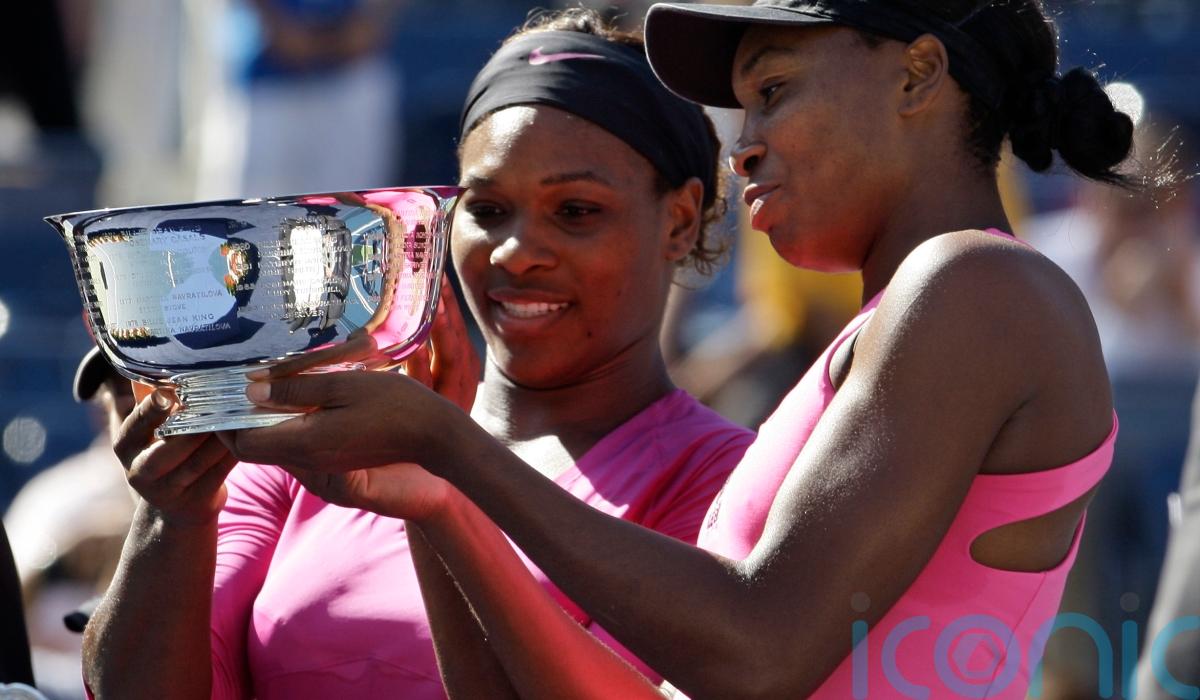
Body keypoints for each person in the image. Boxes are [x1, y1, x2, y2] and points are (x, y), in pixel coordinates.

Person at [217, 0, 1143, 697]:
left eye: (772, 93)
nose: (744, 148)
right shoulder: (911, 315)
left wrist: (451, 445)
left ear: (917, 75)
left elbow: (757, 652)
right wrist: (439, 499)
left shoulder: (975, 284)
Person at [80, 10, 751, 699]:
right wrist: (174, 514)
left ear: (678, 220)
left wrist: (442, 487)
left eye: (576, 211)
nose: (515, 252)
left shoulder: (728, 481)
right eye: (487, 210)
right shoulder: (313, 444)